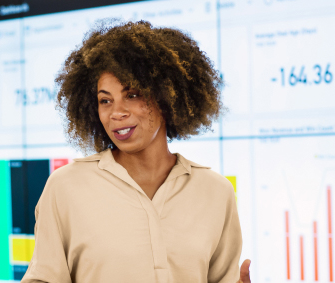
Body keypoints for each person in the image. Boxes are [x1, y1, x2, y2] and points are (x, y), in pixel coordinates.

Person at [21, 20, 251, 283]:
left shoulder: (216, 191)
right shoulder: (66, 187)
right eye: (105, 100)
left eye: (132, 95)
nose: (117, 112)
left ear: (167, 97)